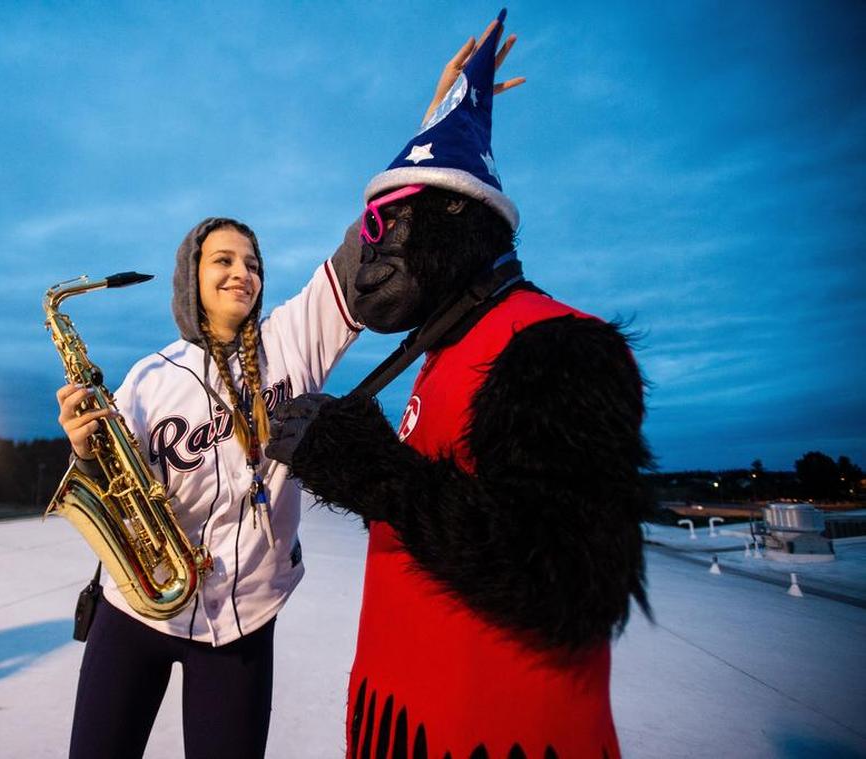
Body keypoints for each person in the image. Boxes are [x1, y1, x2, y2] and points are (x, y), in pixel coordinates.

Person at [55, 24, 523, 759]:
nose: (242, 272)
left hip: (242, 620)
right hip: (137, 607)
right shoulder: (148, 377)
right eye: (222, 260)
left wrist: (431, 132)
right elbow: (118, 491)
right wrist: (85, 446)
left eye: (252, 260)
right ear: (191, 279)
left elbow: (362, 245)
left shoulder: (292, 338)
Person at [268, 11, 651, 759]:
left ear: (453, 215)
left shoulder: (554, 343)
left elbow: (575, 581)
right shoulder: (447, 348)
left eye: (384, 228)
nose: (369, 255)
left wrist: (376, 473)